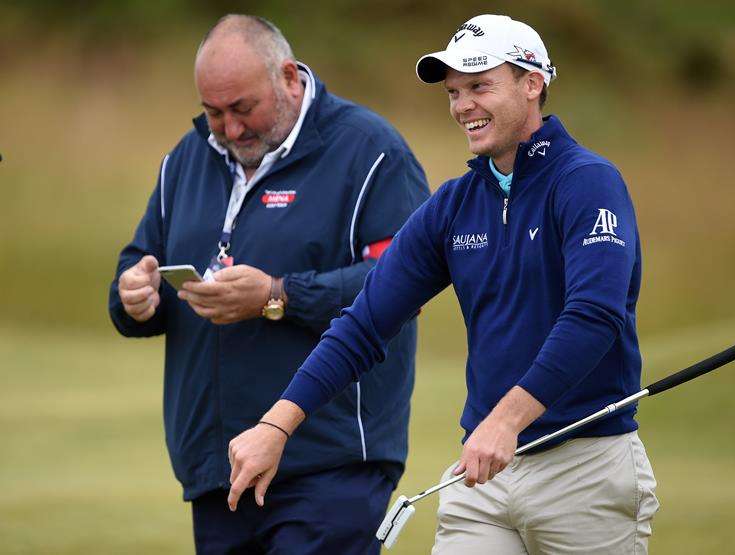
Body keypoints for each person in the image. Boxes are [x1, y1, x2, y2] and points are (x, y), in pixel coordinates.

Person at [227, 13, 661, 554]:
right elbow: (364, 325)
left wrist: (505, 422)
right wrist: (277, 426)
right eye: (454, 92)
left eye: (479, 86)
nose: (462, 106)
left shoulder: (587, 183)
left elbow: (594, 316)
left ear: (533, 83)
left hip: (585, 467)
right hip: (482, 476)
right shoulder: (455, 206)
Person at [108, 14, 429, 555]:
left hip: (331, 465)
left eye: (242, 109)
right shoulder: (186, 160)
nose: (230, 129)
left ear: (287, 77)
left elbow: (406, 284)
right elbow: (142, 259)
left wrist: (278, 295)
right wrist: (134, 297)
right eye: (214, 113)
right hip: (218, 471)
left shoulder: (369, 151)